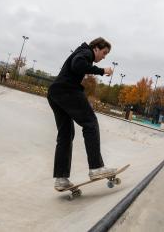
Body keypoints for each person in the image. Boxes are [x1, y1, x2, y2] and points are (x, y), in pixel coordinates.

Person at [47, 37, 116, 191]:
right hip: (67, 91)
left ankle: (61, 178)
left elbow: (76, 65)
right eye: (104, 53)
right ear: (96, 48)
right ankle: (96, 167)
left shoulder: (82, 52)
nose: (104, 57)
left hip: (55, 92)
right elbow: (77, 64)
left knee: (65, 134)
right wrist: (101, 70)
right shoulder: (86, 52)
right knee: (90, 123)